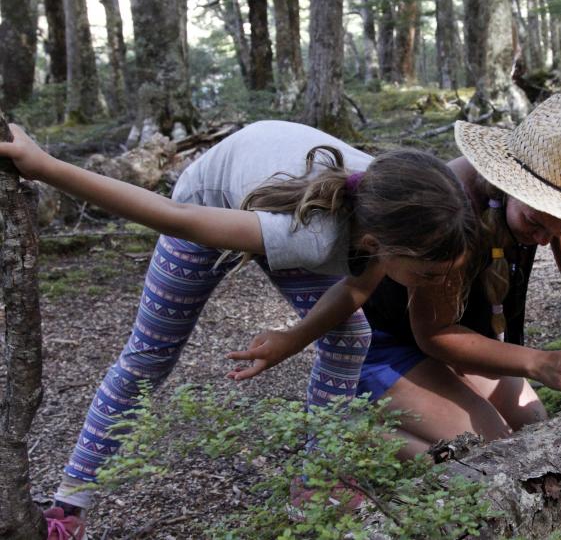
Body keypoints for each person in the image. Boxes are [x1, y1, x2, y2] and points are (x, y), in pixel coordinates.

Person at [0, 120, 476, 536]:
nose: (436, 284)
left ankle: (317, 480)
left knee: (351, 334)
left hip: (281, 195)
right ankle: (69, 505)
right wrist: (45, 166)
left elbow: (353, 290)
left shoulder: (391, 207)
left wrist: (291, 340)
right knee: (149, 357)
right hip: (208, 198)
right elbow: (175, 217)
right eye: (429, 274)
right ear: (378, 243)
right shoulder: (314, 235)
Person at [231, 95, 561, 456]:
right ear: (514, 179)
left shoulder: (554, 199)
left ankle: (428, 418)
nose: (547, 239)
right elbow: (435, 336)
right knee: (495, 448)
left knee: (534, 427)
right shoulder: (452, 212)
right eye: (539, 223)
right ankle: (349, 434)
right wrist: (539, 362)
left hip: (463, 340)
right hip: (388, 343)